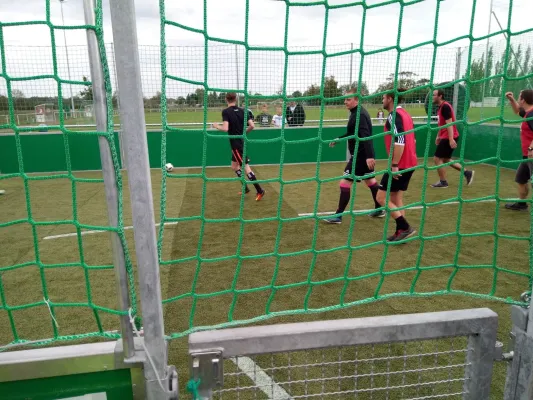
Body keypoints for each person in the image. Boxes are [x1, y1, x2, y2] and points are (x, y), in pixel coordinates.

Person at [324, 89, 382, 224]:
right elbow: (352, 132)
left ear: (357, 100)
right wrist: (339, 138)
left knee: (344, 183)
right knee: (370, 181)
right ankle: (380, 208)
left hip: (360, 156)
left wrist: (369, 156)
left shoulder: (359, 115)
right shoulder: (356, 113)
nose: (345, 102)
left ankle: (338, 216)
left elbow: (365, 136)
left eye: (348, 99)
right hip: (363, 154)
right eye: (345, 99)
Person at [376, 89, 418, 242]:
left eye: (383, 98)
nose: (382, 101)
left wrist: (394, 165)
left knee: (381, 197)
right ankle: (401, 232)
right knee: (396, 197)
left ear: (391, 99)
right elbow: (413, 140)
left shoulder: (393, 116)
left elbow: (400, 140)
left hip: (399, 165)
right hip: (411, 163)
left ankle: (405, 227)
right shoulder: (406, 114)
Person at [212, 92, 266, 201]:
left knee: (245, 167)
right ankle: (245, 188)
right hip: (240, 142)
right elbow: (252, 126)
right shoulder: (243, 111)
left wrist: (216, 126)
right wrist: (243, 133)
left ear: (226, 100)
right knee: (234, 166)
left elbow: (225, 128)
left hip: (236, 145)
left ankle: (260, 190)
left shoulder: (226, 112)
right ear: (236, 99)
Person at [430, 89, 474, 188]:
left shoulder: (445, 106)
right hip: (446, 135)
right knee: (445, 159)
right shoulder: (441, 107)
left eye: (434, 95)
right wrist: (438, 136)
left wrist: (450, 139)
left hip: (449, 136)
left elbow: (450, 124)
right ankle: (467, 173)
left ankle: (443, 182)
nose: (432, 97)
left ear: (440, 96)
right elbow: (442, 124)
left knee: (437, 158)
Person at [504, 89, 533, 211]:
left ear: (524, 100)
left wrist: (531, 147)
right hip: (526, 156)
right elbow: (518, 111)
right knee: (521, 178)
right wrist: (512, 100)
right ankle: (522, 204)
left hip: (531, 155)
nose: (518, 99)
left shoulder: (531, 115)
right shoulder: (527, 113)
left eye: (519, 97)